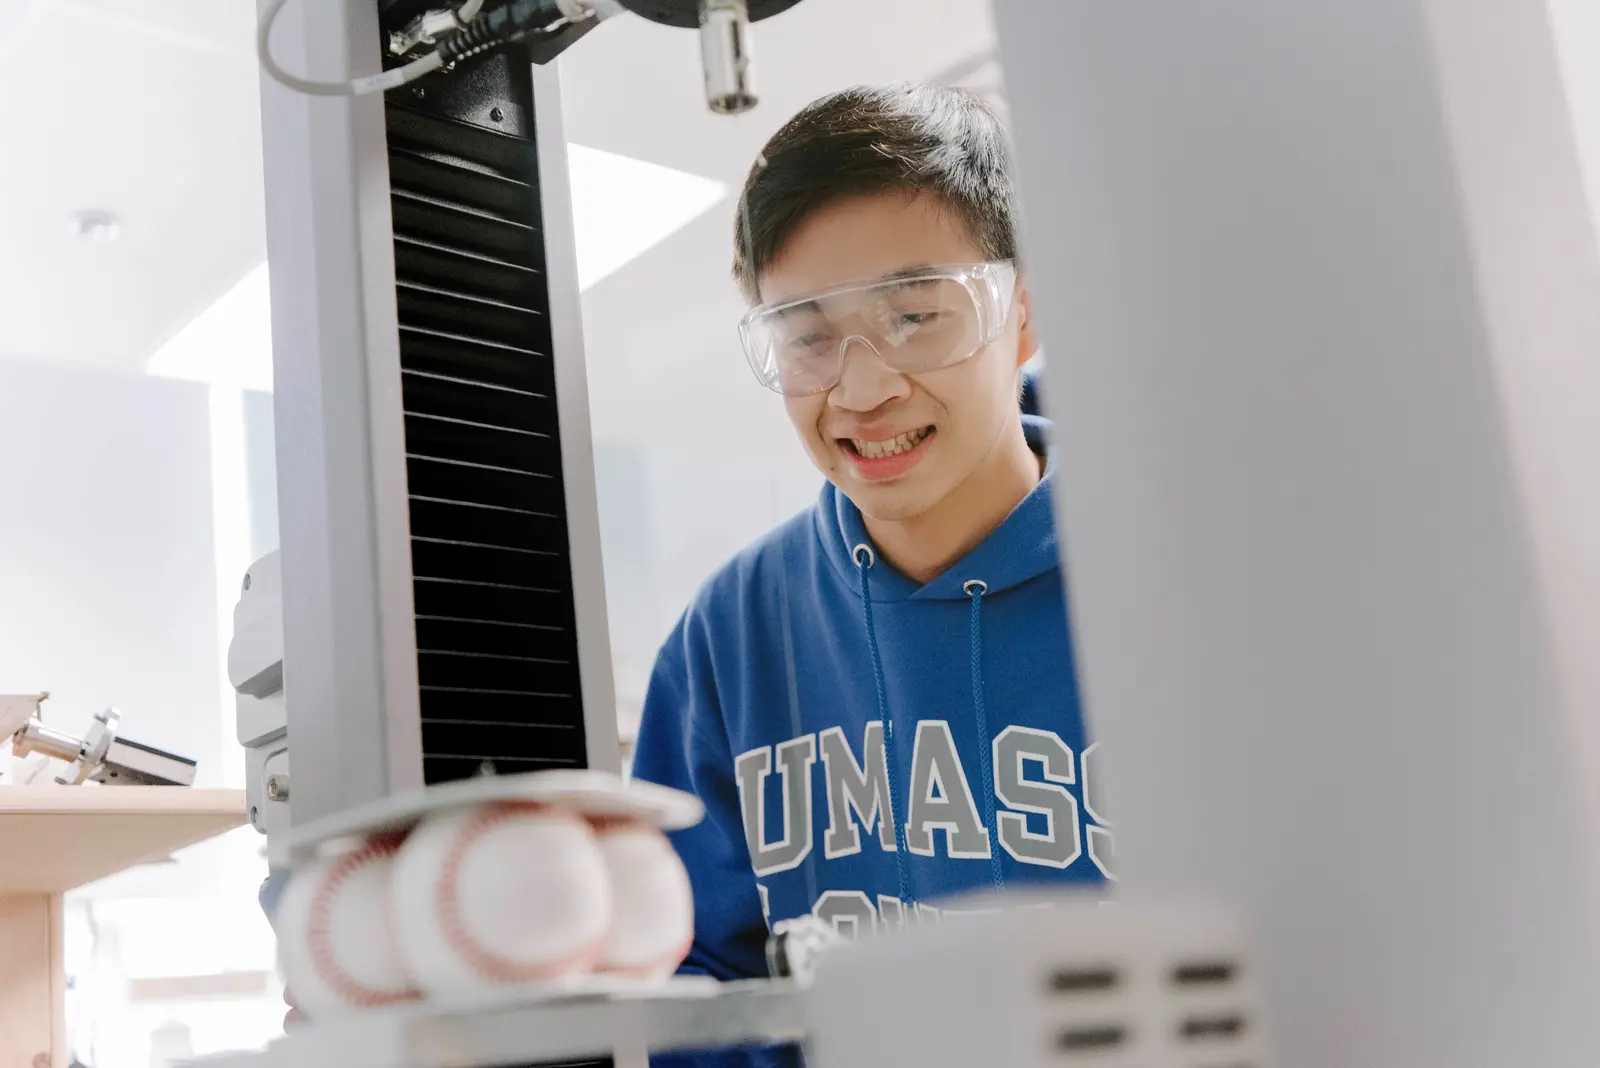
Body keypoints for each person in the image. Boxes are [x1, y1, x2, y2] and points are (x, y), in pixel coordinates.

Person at [630, 83, 1110, 1064]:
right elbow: (689, 984)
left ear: (1022, 313)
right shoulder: (728, 638)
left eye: (914, 315)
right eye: (806, 336)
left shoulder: (1169, 583)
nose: (860, 387)